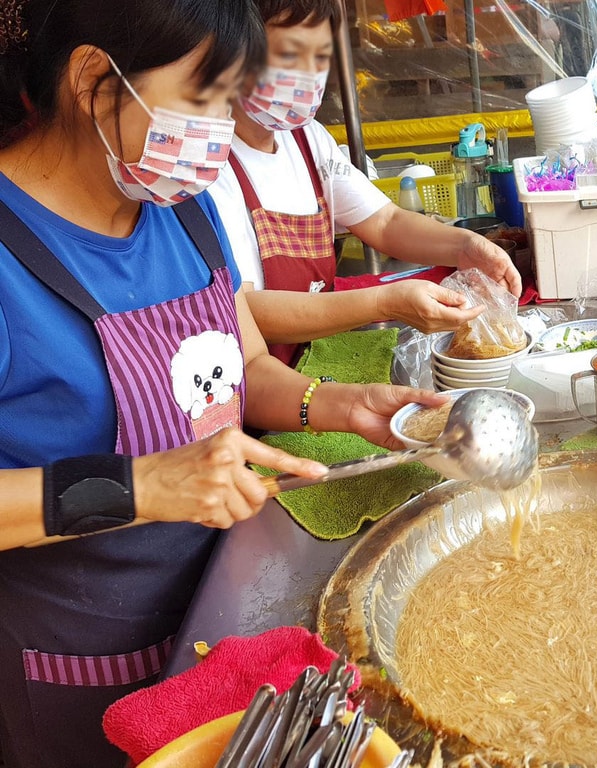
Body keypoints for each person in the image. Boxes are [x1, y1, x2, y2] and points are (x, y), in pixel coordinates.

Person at [0, 2, 449, 766]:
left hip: (226, 617)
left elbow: (240, 368)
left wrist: (340, 405)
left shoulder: (182, 207)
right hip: (85, 669)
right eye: (202, 98)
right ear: (91, 79)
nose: (220, 127)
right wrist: (143, 486)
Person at [209, 0, 521, 366]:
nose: (310, 74)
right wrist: (384, 302)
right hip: (262, 381)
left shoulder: (309, 140)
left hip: (321, 356)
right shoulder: (213, 167)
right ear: (234, 54)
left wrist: (466, 246)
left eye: (320, 57)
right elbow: (247, 310)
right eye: (291, 55)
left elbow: (385, 222)